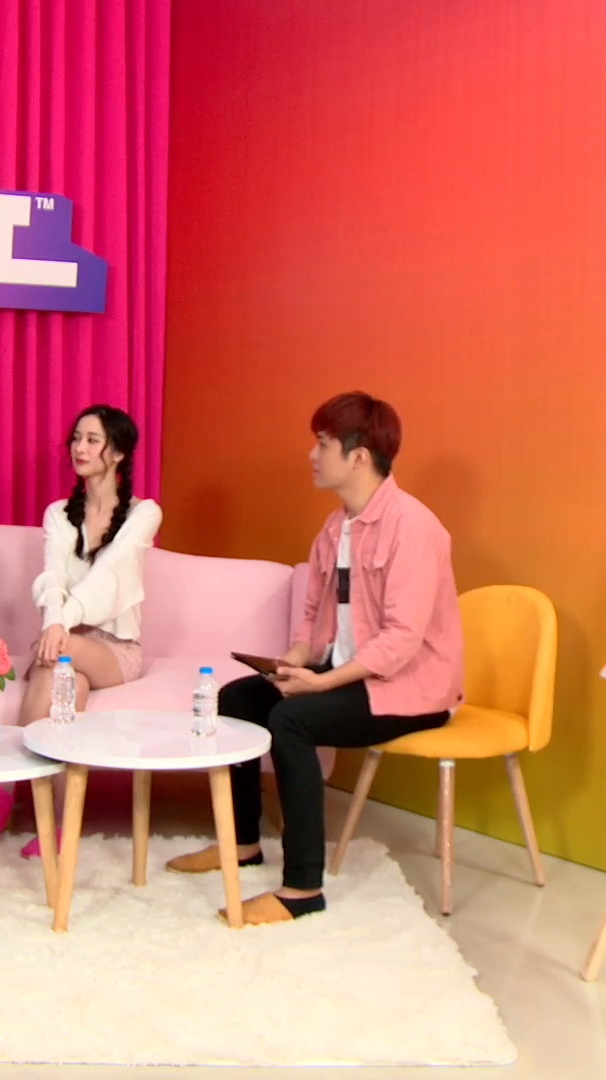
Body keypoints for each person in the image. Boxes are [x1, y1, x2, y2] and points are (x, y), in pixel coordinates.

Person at [167, 391, 461, 925]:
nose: (312, 454)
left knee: (292, 719)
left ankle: (303, 888)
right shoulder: (335, 530)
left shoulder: (414, 528)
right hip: (350, 674)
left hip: (410, 688)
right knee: (237, 700)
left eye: (322, 444)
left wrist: (320, 684)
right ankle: (243, 844)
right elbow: (312, 620)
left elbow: (401, 640)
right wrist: (294, 661)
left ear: (359, 456)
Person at [0, 405, 161, 853]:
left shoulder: (144, 513)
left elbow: (110, 575)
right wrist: (55, 624)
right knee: (62, 682)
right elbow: (51, 577)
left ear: (118, 453)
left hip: (115, 649)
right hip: (64, 643)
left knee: (56, 655)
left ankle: (5, 782)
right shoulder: (58, 513)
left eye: (92, 440)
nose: (79, 448)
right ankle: (58, 826)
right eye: (76, 438)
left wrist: (59, 625)